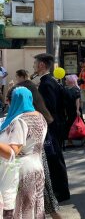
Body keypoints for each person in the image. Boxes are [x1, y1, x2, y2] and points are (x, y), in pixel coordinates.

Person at [13, 69, 61, 218]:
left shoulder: (23, 118)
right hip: (40, 159)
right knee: (45, 199)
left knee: (33, 203)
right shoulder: (40, 113)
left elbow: (16, 147)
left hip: (28, 163)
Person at [0, 87, 47, 218]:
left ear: (12, 101)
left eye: (8, 101)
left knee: (21, 210)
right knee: (34, 207)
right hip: (36, 166)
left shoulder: (20, 121)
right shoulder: (40, 116)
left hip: (21, 171)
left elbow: (12, 153)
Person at [33, 53, 70, 202]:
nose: (34, 66)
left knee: (54, 160)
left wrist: (45, 124)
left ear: (42, 65)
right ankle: (60, 191)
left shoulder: (46, 83)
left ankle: (61, 192)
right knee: (55, 159)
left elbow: (49, 108)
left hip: (52, 127)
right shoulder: (50, 81)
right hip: (56, 125)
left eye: (35, 63)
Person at [64, 74, 85, 147]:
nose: (65, 81)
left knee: (78, 125)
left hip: (75, 110)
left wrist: (77, 109)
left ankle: (84, 136)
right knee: (70, 125)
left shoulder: (76, 89)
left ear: (70, 81)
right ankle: (70, 141)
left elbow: (77, 100)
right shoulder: (66, 89)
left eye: (66, 80)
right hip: (69, 109)